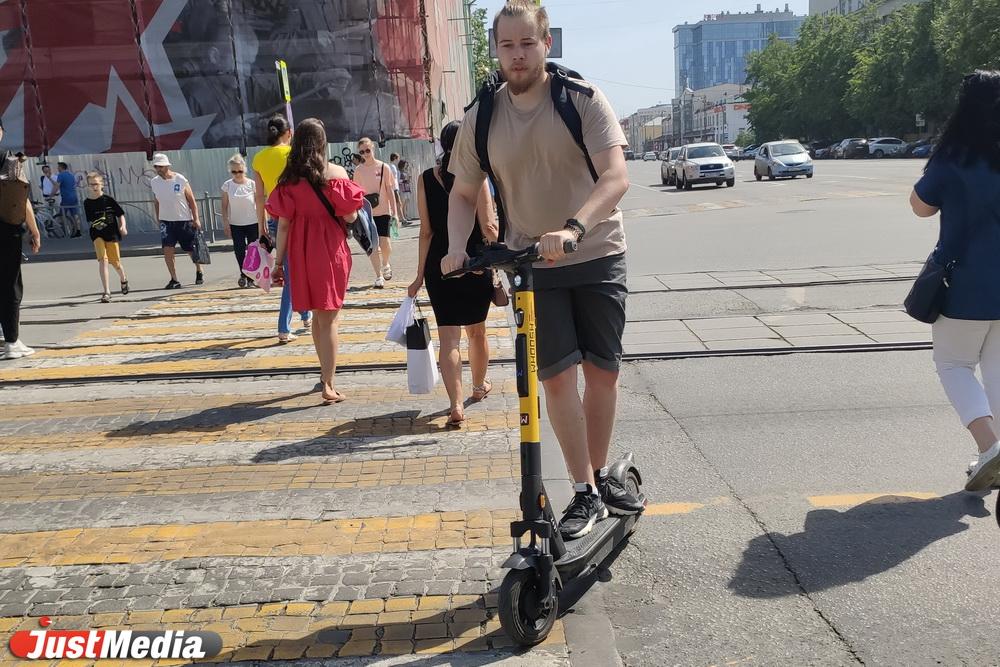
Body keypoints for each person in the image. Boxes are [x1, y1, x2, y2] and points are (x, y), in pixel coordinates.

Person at [441, 1, 642, 540]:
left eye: (527, 44)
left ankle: (598, 476)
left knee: (602, 374)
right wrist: (457, 245)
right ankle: (584, 491)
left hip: (597, 252)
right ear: (496, 50)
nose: (517, 56)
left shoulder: (581, 99)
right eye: (507, 46)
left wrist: (575, 227)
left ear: (546, 44)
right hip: (533, 264)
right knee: (555, 380)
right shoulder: (481, 116)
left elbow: (615, 176)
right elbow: (462, 192)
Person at [910, 70, 1000, 492]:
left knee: (953, 364)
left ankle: (989, 446)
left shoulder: (955, 157)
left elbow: (920, 207)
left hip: (963, 283)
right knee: (997, 370)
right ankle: (995, 451)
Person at [266, 118, 364, 403]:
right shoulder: (335, 173)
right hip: (329, 249)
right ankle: (329, 384)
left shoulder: (288, 180)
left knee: (318, 321)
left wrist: (278, 263)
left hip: (300, 252)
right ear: (322, 143)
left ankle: (324, 375)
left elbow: (283, 225)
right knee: (329, 319)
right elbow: (349, 216)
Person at [408, 122, 499, 428]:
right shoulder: (477, 177)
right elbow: (488, 227)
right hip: (474, 262)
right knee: (477, 332)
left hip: (440, 266)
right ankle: (478, 386)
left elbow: (425, 231)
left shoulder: (424, 179)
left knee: (449, 339)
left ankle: (455, 404)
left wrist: (420, 274)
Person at [253, 115, 312, 342]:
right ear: (289, 133)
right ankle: (283, 327)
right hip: (298, 219)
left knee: (292, 269)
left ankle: (305, 315)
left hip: (275, 219)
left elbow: (259, 197)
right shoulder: (293, 155)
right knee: (293, 272)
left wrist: (262, 226)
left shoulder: (258, 158)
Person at [0, 120, 41, 359]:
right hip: (7, 230)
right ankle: (12, 342)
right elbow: (21, 197)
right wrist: (34, 230)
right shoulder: (10, 159)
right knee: (11, 286)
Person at [149, 153, 204, 289]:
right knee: (168, 250)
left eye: (161, 166)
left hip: (183, 219)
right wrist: (158, 218)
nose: (158, 169)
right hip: (166, 221)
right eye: (156, 166)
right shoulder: (154, 182)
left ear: (167, 166)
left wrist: (196, 218)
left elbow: (191, 200)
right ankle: (174, 279)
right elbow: (156, 201)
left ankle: (199, 270)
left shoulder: (180, 179)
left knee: (190, 249)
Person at [353, 137, 396, 288]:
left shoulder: (384, 167)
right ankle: (378, 276)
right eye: (362, 152)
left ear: (373, 149)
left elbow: (390, 190)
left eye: (368, 150)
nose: (365, 154)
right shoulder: (358, 171)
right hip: (367, 213)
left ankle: (386, 264)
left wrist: (395, 212)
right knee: (373, 246)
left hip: (384, 211)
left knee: (385, 243)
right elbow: (356, 193)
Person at [83, 172, 129, 303]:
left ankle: (123, 278)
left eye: (96, 184)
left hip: (112, 233)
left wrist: (123, 226)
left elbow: (120, 214)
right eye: (91, 184)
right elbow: (91, 220)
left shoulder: (109, 200)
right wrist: (98, 224)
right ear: (88, 186)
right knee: (103, 260)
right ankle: (107, 292)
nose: (94, 187)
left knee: (115, 263)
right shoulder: (87, 202)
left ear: (102, 185)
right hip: (97, 234)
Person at [221, 154, 259, 288]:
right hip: (236, 224)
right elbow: (224, 206)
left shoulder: (252, 184)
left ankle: (251, 277)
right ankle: (244, 274)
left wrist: (263, 222)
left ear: (245, 169)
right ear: (230, 171)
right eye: (234, 171)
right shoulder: (227, 185)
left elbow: (259, 203)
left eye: (240, 171)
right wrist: (226, 223)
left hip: (253, 222)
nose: (237, 174)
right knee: (239, 250)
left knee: (254, 250)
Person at [55, 161, 82, 237]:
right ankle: (78, 231)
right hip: (74, 197)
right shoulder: (71, 175)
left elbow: (57, 186)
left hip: (66, 198)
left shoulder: (61, 175)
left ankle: (66, 231)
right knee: (75, 215)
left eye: (58, 167)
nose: (57, 168)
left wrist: (51, 194)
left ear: (61, 167)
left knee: (61, 215)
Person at [389, 152, 408, 224]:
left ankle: (401, 218)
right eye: (397, 158)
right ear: (395, 158)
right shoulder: (392, 167)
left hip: (395, 187)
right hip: (394, 188)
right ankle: (402, 219)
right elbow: (393, 178)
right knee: (398, 203)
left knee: (397, 203)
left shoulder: (391, 166)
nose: (398, 160)